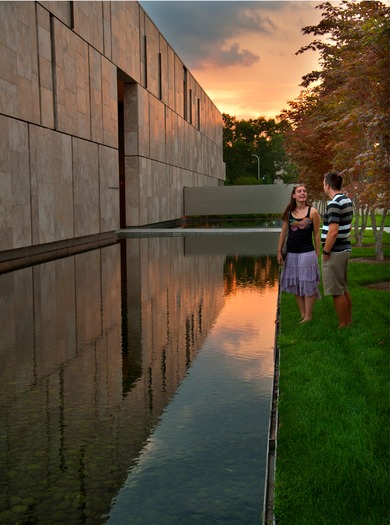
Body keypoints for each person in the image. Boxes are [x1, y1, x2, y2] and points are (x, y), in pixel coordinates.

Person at [277, 183, 321, 322]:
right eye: (299, 191)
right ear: (294, 195)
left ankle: (308, 317)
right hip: (291, 254)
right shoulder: (289, 212)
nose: (303, 193)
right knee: (296, 284)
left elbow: (317, 234)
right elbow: (284, 232)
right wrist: (279, 251)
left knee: (307, 284)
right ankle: (303, 315)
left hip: (307, 252)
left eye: (304, 191)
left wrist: (318, 253)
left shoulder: (313, 212)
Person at [321, 171, 353, 327]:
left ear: (327, 185)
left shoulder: (334, 203)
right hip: (344, 249)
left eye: (323, 183)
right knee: (343, 287)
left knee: (336, 291)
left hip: (335, 251)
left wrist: (326, 251)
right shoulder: (347, 200)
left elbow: (333, 232)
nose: (323, 186)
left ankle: (342, 324)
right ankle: (348, 321)